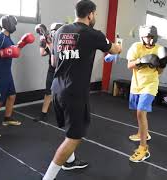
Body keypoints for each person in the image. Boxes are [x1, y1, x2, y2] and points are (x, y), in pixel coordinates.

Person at [42, 0, 121, 179]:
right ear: (90, 14)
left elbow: (54, 62)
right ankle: (48, 177)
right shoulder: (93, 34)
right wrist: (119, 45)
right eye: (95, 14)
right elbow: (115, 49)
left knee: (69, 129)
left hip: (57, 88)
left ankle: (69, 162)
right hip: (74, 92)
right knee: (74, 137)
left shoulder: (61, 31)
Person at [0, 15, 35, 138]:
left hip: (7, 73)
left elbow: (13, 50)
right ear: (7, 24)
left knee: (11, 96)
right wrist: (3, 53)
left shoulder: (8, 38)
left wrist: (22, 43)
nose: (15, 26)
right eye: (14, 24)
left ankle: (7, 118)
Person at [126, 25, 167, 162]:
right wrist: (141, 60)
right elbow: (129, 65)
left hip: (150, 85)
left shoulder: (159, 50)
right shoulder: (136, 47)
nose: (148, 39)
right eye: (146, 37)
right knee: (138, 113)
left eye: (151, 37)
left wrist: (161, 65)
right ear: (142, 37)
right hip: (136, 85)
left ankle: (143, 149)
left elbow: (159, 72)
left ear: (155, 37)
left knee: (140, 112)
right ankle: (141, 133)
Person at [35, 23, 64, 122]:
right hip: (52, 69)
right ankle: (43, 114)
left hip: (63, 69)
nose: (53, 33)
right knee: (48, 92)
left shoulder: (64, 43)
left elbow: (55, 59)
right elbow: (42, 53)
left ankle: (65, 112)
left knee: (63, 92)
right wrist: (42, 40)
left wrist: (49, 43)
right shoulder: (50, 40)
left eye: (54, 31)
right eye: (52, 31)